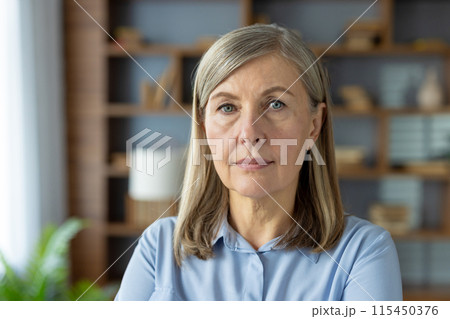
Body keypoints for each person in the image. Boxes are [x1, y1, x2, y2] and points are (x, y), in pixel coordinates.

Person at [115, 24, 402, 301]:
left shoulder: (363, 252)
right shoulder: (160, 247)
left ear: (314, 125)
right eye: (227, 107)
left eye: (276, 104)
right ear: (204, 128)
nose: (249, 133)